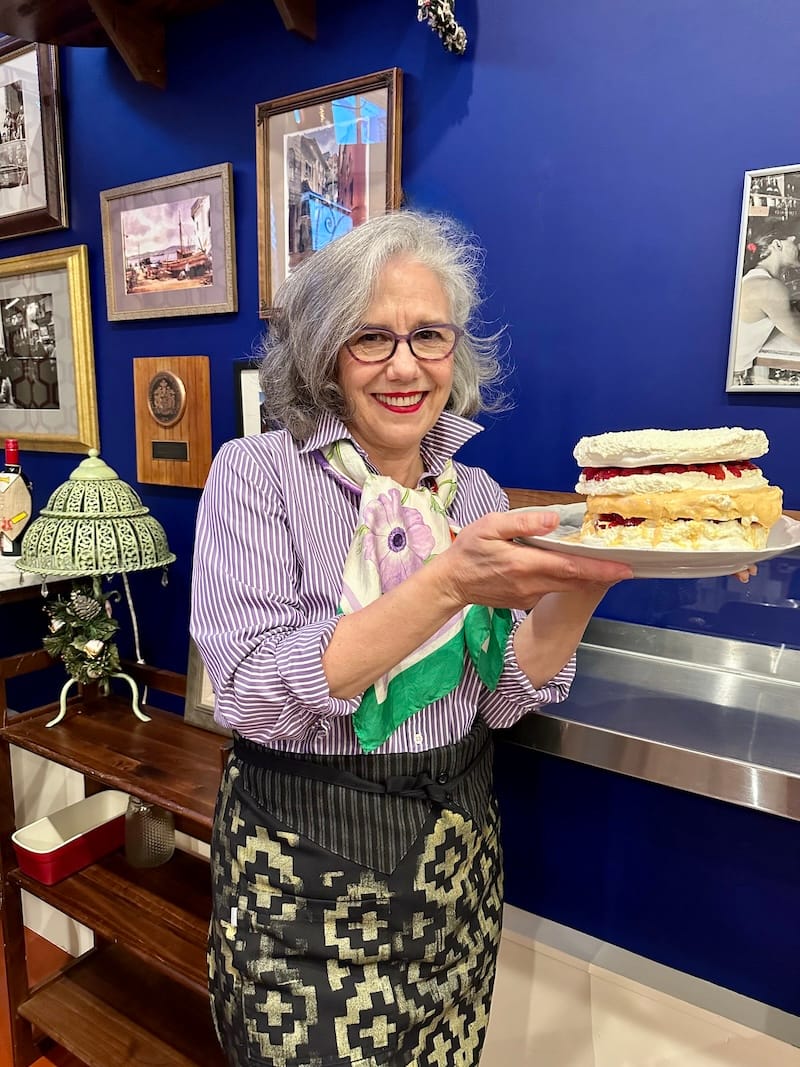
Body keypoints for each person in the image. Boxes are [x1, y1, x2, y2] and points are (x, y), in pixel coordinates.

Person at [189, 209, 638, 1067]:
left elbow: (505, 696)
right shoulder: (257, 475)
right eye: (372, 338)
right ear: (324, 353)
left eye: (429, 335)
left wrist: (586, 579)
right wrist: (445, 584)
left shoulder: (475, 495)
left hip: (456, 866)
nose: (406, 365)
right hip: (300, 874)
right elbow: (247, 688)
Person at [733, 229, 800, 382]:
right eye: (795, 242)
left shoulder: (756, 277)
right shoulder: (769, 287)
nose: (798, 248)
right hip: (736, 375)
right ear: (777, 245)